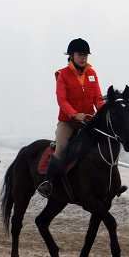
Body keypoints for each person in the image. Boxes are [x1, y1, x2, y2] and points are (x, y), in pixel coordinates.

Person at [36, 38, 105, 197]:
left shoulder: (92, 74)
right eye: (80, 55)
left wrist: (102, 112)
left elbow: (98, 99)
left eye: (86, 55)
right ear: (71, 56)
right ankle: (49, 183)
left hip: (87, 121)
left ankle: (109, 182)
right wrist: (75, 114)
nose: (83, 58)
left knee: (104, 146)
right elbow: (62, 100)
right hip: (67, 122)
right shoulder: (63, 75)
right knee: (60, 149)